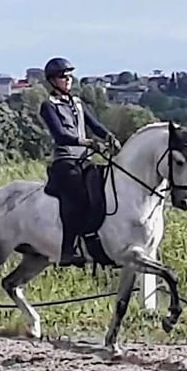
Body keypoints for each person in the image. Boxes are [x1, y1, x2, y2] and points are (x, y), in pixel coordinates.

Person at [39, 56, 121, 267]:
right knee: (77, 193)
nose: (68, 80)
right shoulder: (48, 106)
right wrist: (86, 142)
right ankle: (68, 248)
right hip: (65, 161)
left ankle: (97, 237)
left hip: (84, 160)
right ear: (52, 81)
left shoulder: (77, 103)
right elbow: (60, 135)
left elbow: (95, 125)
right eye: (62, 76)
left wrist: (109, 136)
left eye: (69, 76)